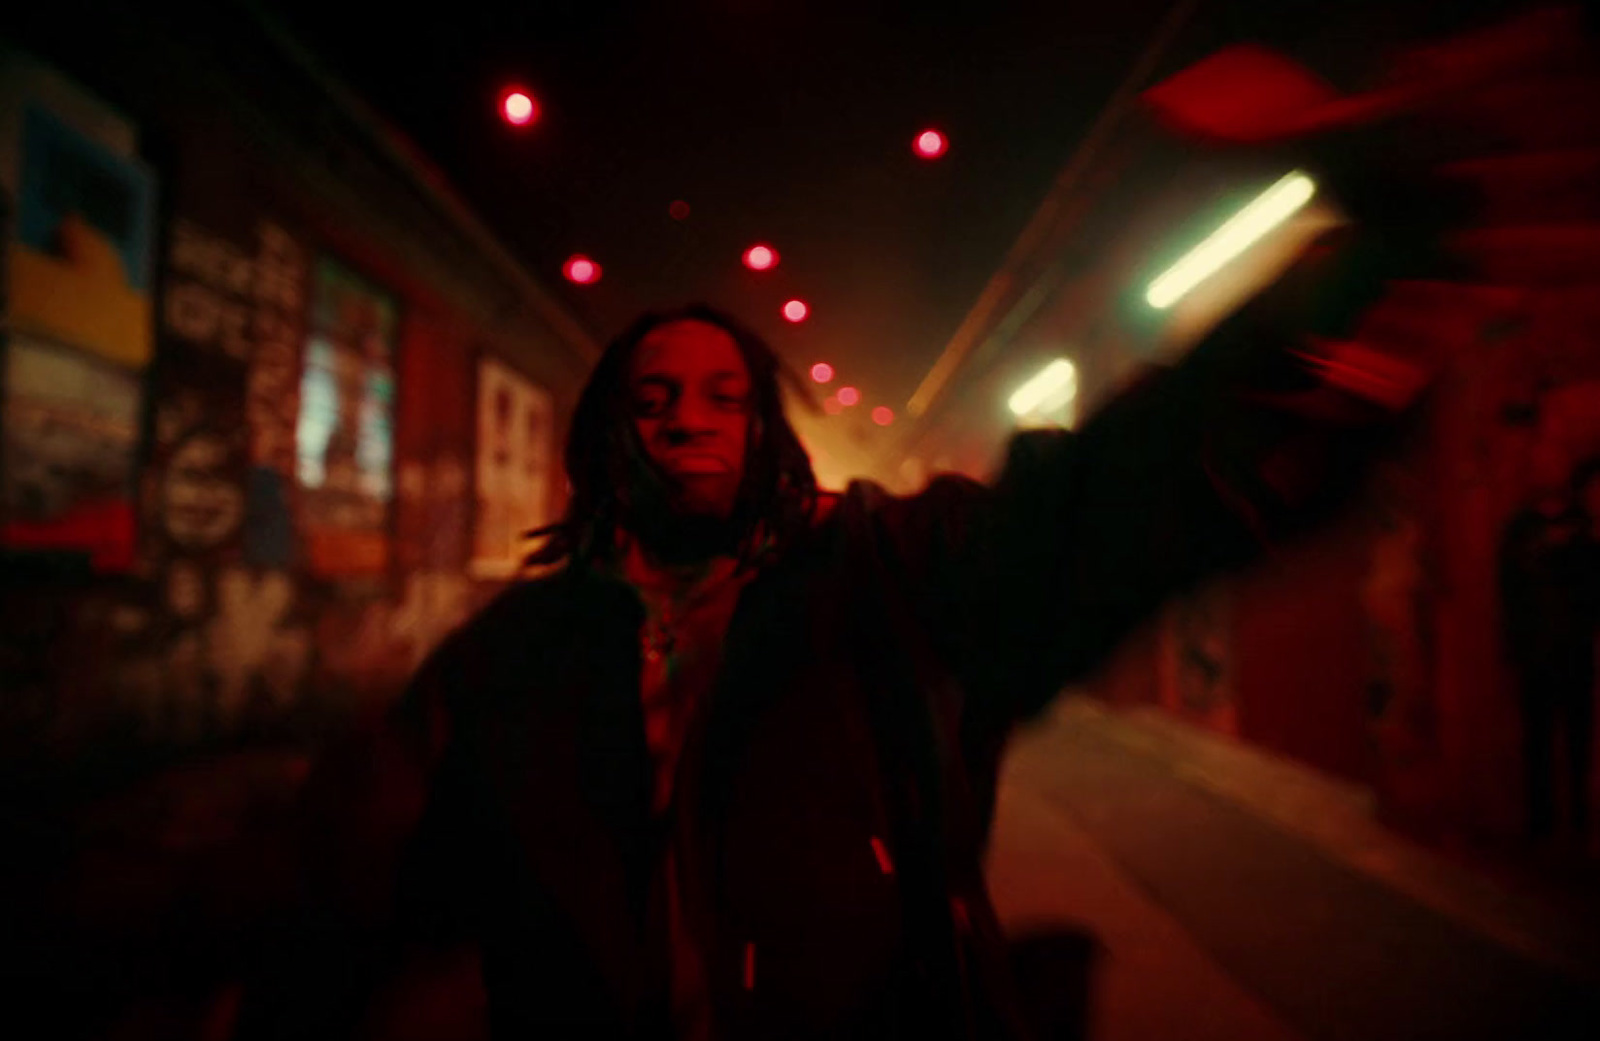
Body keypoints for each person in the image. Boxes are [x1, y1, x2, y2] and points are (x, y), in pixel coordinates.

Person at [234, 219, 1431, 1037]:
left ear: (769, 436)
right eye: (649, 401)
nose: (684, 422)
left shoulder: (884, 581)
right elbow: (359, 898)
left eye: (722, 397)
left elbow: (1088, 515)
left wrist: (1295, 348)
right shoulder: (512, 656)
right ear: (601, 440)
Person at [1500, 456, 1600, 845]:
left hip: (1575, 648)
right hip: (1537, 650)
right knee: (1538, 739)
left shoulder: (1583, 527)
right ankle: (1541, 820)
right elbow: (1510, 587)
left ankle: (1578, 816)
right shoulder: (1522, 528)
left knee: (1579, 738)